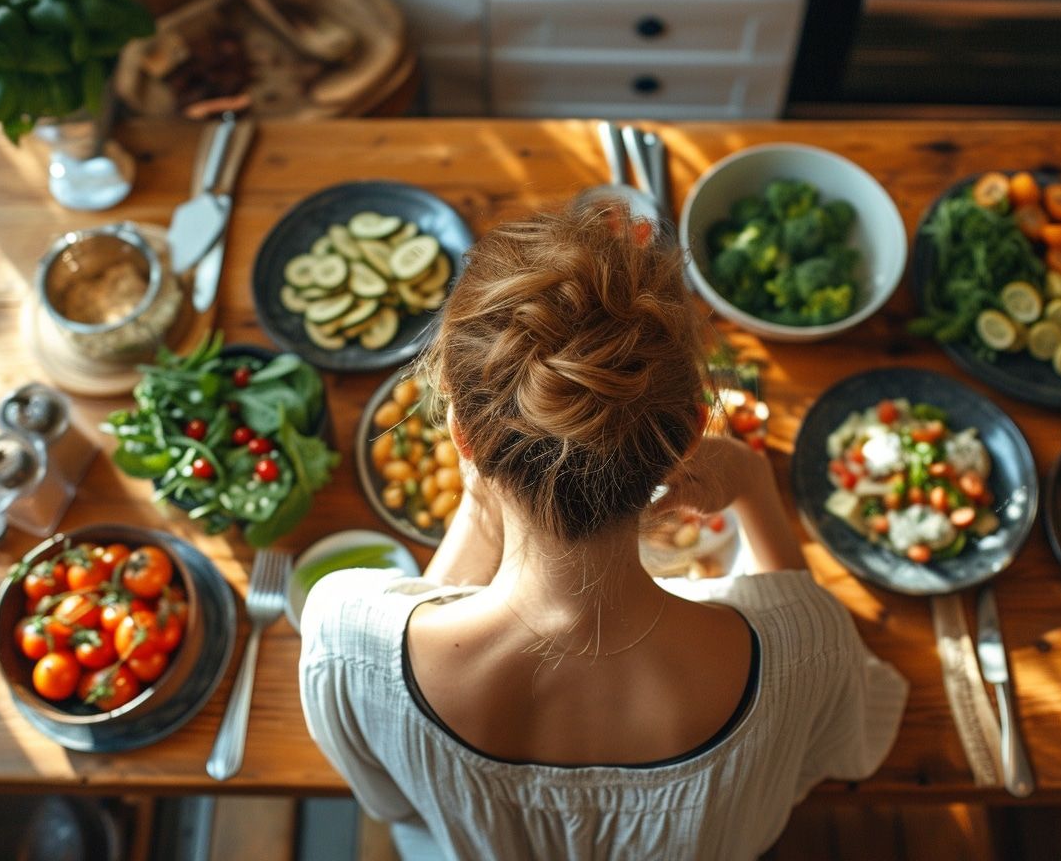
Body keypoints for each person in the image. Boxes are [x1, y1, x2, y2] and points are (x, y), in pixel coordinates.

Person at [299, 205, 908, 860]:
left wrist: (481, 511)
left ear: (462, 438)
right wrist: (756, 484)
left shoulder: (346, 636)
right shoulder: (797, 644)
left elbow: (390, 803)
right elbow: (849, 747)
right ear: (690, 432)